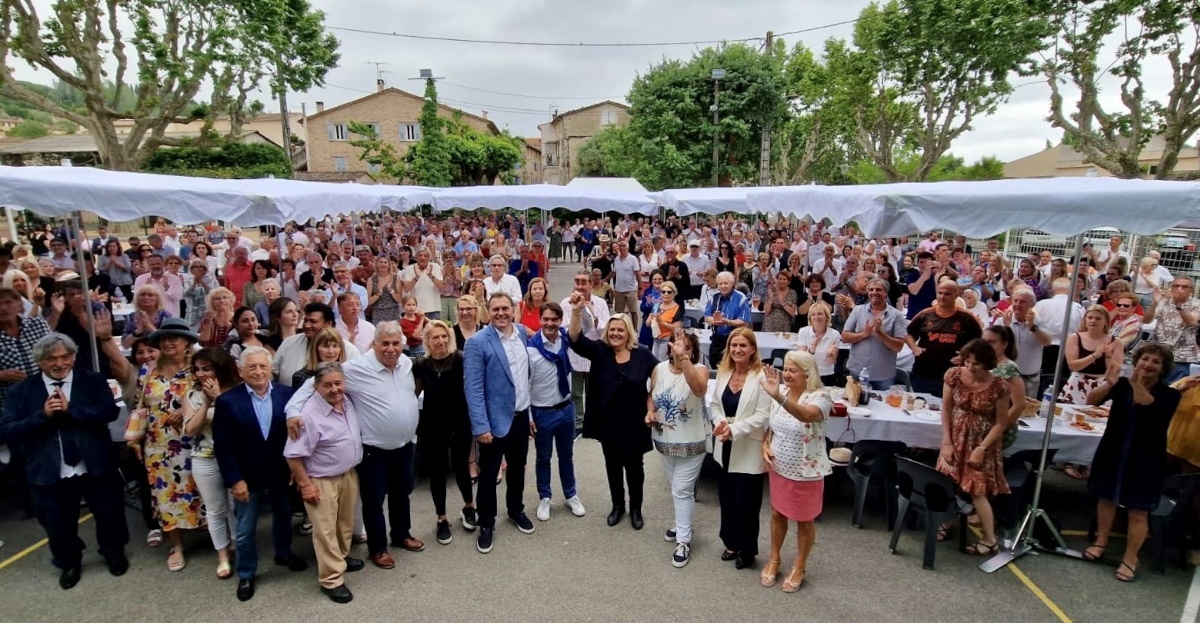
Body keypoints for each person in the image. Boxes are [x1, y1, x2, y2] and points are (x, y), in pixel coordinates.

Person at [287, 322, 423, 569]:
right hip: (374, 449)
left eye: (395, 343)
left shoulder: (406, 363)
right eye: (385, 343)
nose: (391, 349)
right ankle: (378, 548)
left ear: (402, 344)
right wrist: (292, 412)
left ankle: (402, 534)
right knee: (373, 501)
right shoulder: (356, 368)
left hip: (405, 445)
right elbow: (313, 383)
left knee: (402, 493)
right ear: (374, 344)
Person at [0, 333, 127, 590]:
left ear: (74, 356)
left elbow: (109, 411)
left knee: (109, 513)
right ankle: (69, 562)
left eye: (65, 357)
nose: (59, 363)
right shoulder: (20, 391)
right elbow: (7, 429)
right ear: (40, 361)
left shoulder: (92, 381)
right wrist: (42, 415)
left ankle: (113, 553)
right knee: (57, 522)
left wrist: (72, 410)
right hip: (48, 468)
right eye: (52, 359)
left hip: (94, 463)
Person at [213, 346, 306, 601]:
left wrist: (295, 468)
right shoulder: (227, 401)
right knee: (244, 528)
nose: (258, 371)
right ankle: (246, 573)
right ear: (241, 371)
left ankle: (283, 553)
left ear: (270, 369)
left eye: (263, 366)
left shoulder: (288, 396)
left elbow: (296, 435)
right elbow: (222, 446)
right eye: (251, 367)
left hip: (281, 471)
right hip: (246, 476)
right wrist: (234, 479)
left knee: (283, 516)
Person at [1084, 343, 1182, 583]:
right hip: (1114, 450)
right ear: (1137, 360)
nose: (1147, 364)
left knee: (1139, 511)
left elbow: (1144, 403)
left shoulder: (1170, 395)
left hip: (1146, 458)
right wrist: (1109, 383)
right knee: (1106, 499)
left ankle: (1130, 558)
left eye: (1155, 362)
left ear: (1163, 368)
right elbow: (1091, 401)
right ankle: (1101, 542)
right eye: (1144, 359)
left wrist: (1135, 381)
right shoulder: (1121, 386)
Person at [567, 297, 658, 530]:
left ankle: (636, 508)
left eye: (621, 330)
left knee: (635, 468)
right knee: (613, 465)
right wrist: (576, 312)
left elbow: (659, 372)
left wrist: (654, 401)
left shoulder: (643, 353)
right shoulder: (599, 351)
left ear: (628, 332)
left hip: (635, 421)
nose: (616, 333)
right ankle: (617, 505)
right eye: (612, 329)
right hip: (608, 421)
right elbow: (576, 339)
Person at [283, 362, 365, 604]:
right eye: (327, 385)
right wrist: (305, 484)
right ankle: (331, 580)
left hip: (347, 474)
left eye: (338, 383)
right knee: (325, 531)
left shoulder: (347, 402)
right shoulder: (308, 415)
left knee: (344, 524)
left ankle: (341, 557)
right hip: (321, 480)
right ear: (316, 386)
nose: (334, 389)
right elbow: (292, 454)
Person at [127, 318, 203, 571]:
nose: (168, 342)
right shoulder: (148, 370)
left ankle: (217, 538)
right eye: (163, 338)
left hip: (195, 441)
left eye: (174, 337)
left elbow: (215, 398)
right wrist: (135, 438)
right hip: (158, 445)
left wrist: (187, 411)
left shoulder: (199, 369)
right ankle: (177, 545)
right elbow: (139, 406)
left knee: (202, 490)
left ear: (188, 343)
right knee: (166, 494)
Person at [464, 293, 536, 554]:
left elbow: (524, 380)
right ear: (488, 312)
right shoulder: (478, 342)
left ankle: (516, 510)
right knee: (488, 477)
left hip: (520, 417)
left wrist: (528, 416)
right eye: (495, 309)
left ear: (514, 309)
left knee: (517, 469)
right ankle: (486, 522)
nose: (501, 313)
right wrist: (480, 426)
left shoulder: (521, 334)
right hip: (493, 424)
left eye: (505, 308)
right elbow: (473, 388)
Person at [759, 351, 833, 593]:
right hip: (779, 467)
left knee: (804, 521)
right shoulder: (781, 394)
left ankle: (800, 566)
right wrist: (765, 444)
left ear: (807, 373)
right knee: (777, 514)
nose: (787, 374)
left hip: (806, 472)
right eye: (786, 369)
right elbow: (772, 427)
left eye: (793, 370)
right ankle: (774, 559)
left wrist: (777, 396)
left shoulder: (821, 397)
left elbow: (806, 415)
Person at [936, 339, 1012, 555]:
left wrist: (981, 448)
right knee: (948, 482)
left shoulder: (1000, 387)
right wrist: (947, 442)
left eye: (976, 363)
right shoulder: (953, 375)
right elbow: (946, 409)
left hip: (982, 440)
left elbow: (1000, 422)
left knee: (977, 490)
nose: (970, 367)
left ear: (987, 363)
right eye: (967, 361)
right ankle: (946, 522)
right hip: (956, 436)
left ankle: (989, 539)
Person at [710, 327, 773, 569]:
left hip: (748, 447)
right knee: (726, 498)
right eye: (733, 345)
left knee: (746, 502)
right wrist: (720, 422)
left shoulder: (761, 378)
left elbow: (762, 415)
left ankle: (747, 550)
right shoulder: (724, 373)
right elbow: (715, 405)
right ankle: (731, 542)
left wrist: (734, 429)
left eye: (743, 346)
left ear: (753, 350)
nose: (737, 350)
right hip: (723, 444)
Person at [645, 330, 709, 568]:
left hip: (691, 442)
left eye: (687, 347)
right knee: (678, 489)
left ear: (693, 352)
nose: (681, 350)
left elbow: (699, 390)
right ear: (669, 347)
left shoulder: (699, 369)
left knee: (681, 490)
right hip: (664, 440)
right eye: (677, 345)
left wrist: (684, 361)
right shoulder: (659, 369)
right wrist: (650, 411)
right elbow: (651, 395)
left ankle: (684, 540)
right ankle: (683, 523)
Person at [413, 321, 477, 545]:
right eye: (435, 337)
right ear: (427, 341)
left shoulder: (460, 358)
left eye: (443, 336)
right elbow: (415, 393)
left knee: (461, 468)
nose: (440, 341)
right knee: (437, 472)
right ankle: (441, 519)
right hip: (433, 426)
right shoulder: (421, 364)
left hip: (460, 422)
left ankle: (469, 507)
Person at [181, 347, 240, 580]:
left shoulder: (237, 390)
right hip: (205, 457)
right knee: (216, 509)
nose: (201, 374)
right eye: (197, 370)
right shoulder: (191, 395)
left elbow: (241, 422)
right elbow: (190, 430)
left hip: (235, 457)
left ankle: (238, 545)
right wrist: (206, 402)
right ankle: (222, 555)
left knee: (237, 505)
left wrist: (219, 399)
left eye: (207, 368)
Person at [526, 302, 587, 523]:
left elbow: (577, 329)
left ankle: (570, 494)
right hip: (542, 413)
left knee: (566, 456)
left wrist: (578, 310)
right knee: (543, 458)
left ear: (560, 321)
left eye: (554, 319)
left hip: (565, 409)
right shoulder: (531, 350)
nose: (550, 323)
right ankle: (545, 497)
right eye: (546, 319)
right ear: (539, 320)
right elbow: (524, 385)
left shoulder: (564, 339)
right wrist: (529, 417)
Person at [906, 280, 983, 394]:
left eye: (947, 294)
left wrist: (966, 356)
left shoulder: (967, 318)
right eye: (940, 293)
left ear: (956, 296)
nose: (942, 297)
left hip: (954, 375)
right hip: (923, 373)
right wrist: (914, 347)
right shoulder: (925, 315)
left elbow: (979, 343)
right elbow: (908, 334)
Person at [561, 271, 611, 433]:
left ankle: (592, 420)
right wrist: (578, 312)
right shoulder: (566, 303)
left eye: (584, 282)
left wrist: (592, 314)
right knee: (575, 392)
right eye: (577, 282)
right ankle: (578, 422)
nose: (580, 286)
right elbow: (564, 327)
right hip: (574, 354)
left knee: (593, 391)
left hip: (595, 354)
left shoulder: (600, 303)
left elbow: (606, 327)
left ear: (591, 284)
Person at [272, 303, 359, 388]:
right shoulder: (289, 343)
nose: (307, 325)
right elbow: (273, 372)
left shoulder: (349, 349)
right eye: (305, 320)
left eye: (313, 321)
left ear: (329, 324)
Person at [842, 278, 908, 390]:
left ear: (886, 293)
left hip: (883, 375)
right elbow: (844, 337)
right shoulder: (858, 310)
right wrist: (864, 334)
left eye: (878, 290)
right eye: (871, 289)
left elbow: (898, 346)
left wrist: (879, 333)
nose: (874, 292)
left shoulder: (896, 315)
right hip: (858, 372)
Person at [1150, 276, 1200, 383]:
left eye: (1184, 287)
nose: (1179, 289)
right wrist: (1154, 303)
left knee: (1174, 391)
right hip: (1159, 354)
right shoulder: (1163, 302)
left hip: (1181, 357)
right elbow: (1147, 320)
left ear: (1191, 290)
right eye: (1176, 286)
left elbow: (1191, 322)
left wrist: (1178, 305)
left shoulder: (1197, 304)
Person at [703, 271, 753, 365]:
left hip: (735, 340)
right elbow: (706, 316)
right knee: (715, 367)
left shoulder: (740, 298)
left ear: (732, 283)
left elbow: (744, 321)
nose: (723, 286)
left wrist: (728, 322)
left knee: (733, 368)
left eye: (726, 283)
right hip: (717, 340)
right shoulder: (714, 298)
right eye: (720, 284)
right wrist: (714, 321)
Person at [795, 302, 842, 387]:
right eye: (813, 314)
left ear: (826, 317)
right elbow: (801, 359)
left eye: (820, 314)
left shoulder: (835, 334)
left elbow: (831, 361)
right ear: (810, 318)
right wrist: (812, 349)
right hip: (807, 374)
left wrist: (829, 354)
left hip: (827, 375)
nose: (816, 317)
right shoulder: (804, 331)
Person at [122, 284, 173, 349]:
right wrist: (138, 331)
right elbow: (125, 345)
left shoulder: (165, 316)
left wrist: (149, 326)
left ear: (157, 299)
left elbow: (168, 342)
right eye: (142, 295)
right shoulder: (130, 317)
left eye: (150, 295)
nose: (146, 297)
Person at [400, 248, 444, 320]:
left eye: (425, 256)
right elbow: (406, 288)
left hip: (433, 308)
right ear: (416, 257)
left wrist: (430, 275)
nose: (422, 258)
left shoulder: (436, 267)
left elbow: (441, 286)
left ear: (429, 258)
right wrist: (416, 277)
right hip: (415, 309)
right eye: (420, 255)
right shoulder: (409, 268)